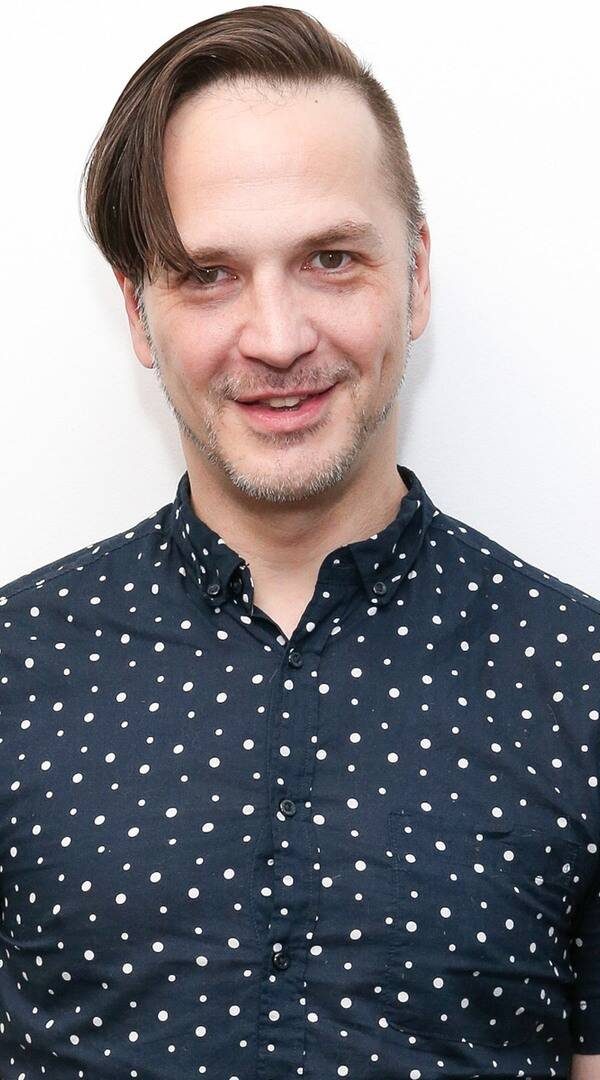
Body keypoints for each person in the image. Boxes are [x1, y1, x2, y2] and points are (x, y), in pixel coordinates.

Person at [0, 5, 598, 1078]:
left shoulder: (580, 678)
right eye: (208, 273)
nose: (277, 340)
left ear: (416, 275)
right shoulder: (14, 667)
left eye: (330, 258)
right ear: (137, 311)